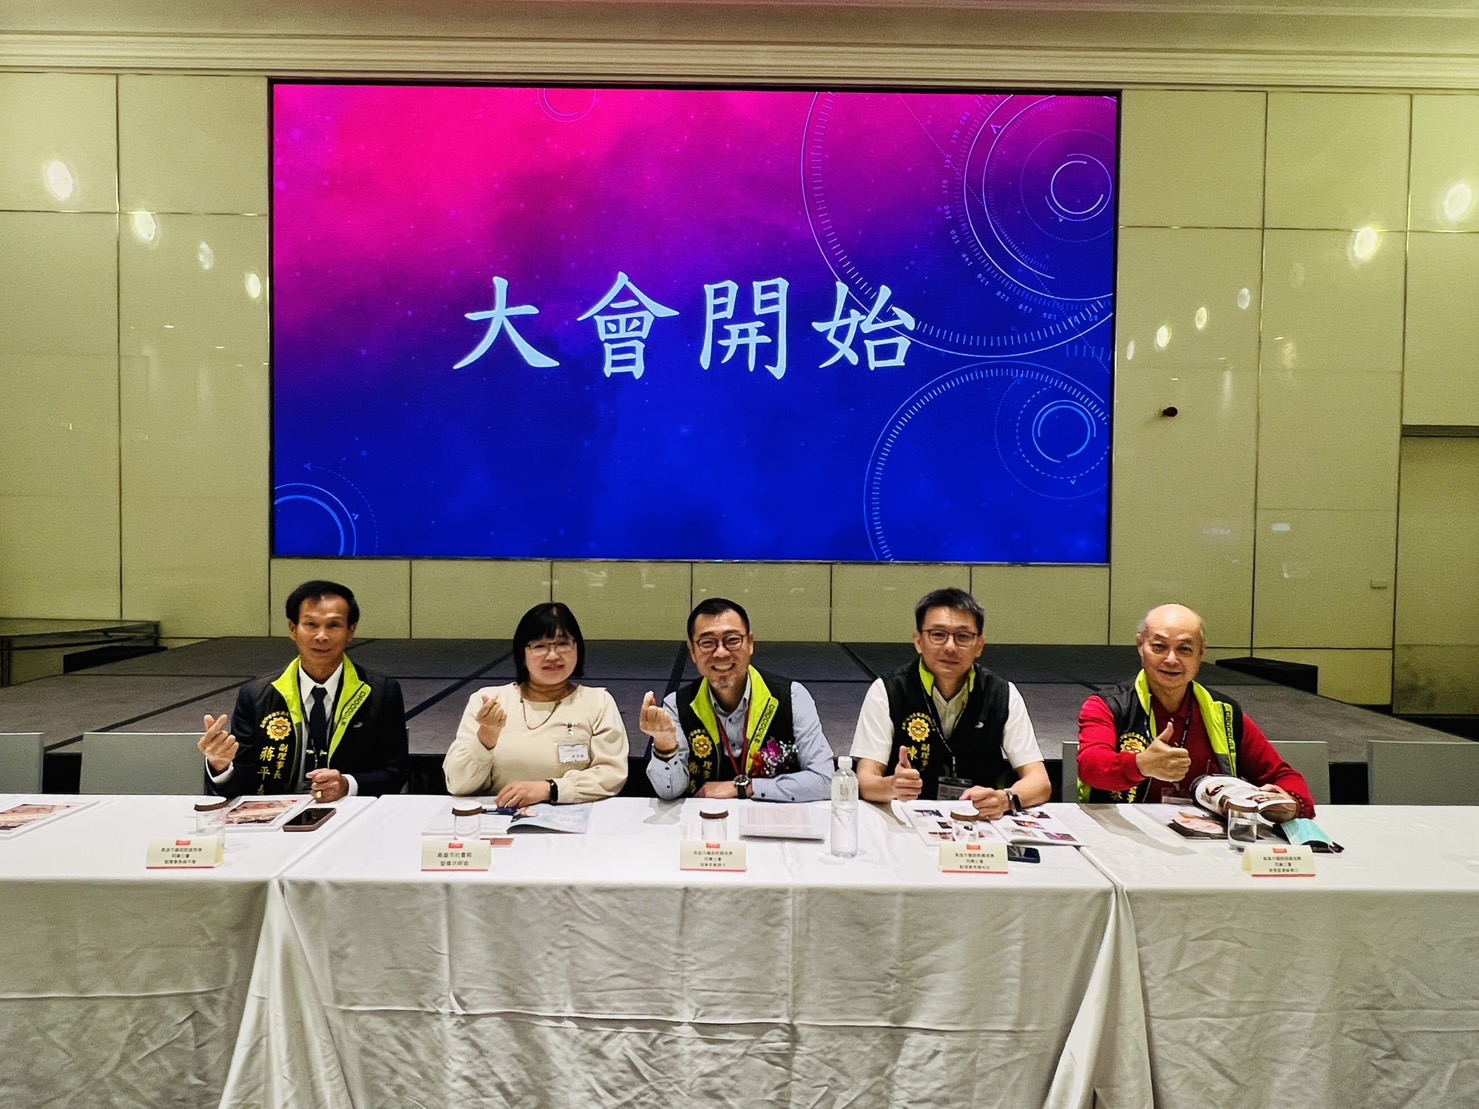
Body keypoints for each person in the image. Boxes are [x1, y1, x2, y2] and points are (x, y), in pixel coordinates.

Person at [1076, 603, 1314, 820]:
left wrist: (1289, 803)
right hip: (1128, 836)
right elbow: (1090, 767)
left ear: (1202, 653)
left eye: (1185, 649)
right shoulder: (1108, 706)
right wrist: (1141, 765)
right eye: (1159, 647)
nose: (1171, 659)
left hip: (1211, 841)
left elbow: (1284, 777)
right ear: (1140, 646)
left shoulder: (1224, 712)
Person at [198, 580, 408, 801]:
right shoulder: (256, 694)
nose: (321, 636)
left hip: (349, 811)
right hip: (275, 814)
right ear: (293, 629)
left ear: (351, 631)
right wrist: (221, 765)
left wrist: (347, 785)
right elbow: (242, 784)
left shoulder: (380, 692)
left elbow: (395, 773)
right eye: (311, 624)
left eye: (333, 625)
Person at [850, 588, 1050, 818]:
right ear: (918, 641)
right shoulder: (887, 690)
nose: (950, 647)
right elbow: (865, 780)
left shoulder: (1002, 694)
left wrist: (1005, 799)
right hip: (907, 820)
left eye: (963, 636)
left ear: (979, 645)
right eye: (938, 635)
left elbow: (1040, 782)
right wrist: (892, 786)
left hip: (977, 822)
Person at [642, 598, 834, 802]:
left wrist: (745, 787)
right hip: (703, 819)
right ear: (692, 651)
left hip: (773, 819)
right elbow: (669, 792)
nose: (721, 652)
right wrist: (664, 745)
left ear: (750, 643)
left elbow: (825, 781)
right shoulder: (677, 706)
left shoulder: (792, 697)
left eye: (732, 640)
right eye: (707, 643)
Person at [444, 602, 628, 804]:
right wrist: (487, 734)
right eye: (540, 646)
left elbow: (612, 775)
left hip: (574, 819)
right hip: (501, 816)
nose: (553, 655)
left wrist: (551, 789)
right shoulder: (489, 701)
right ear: (522, 655)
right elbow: (458, 784)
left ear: (577, 648)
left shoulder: (598, 702)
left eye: (562, 644)